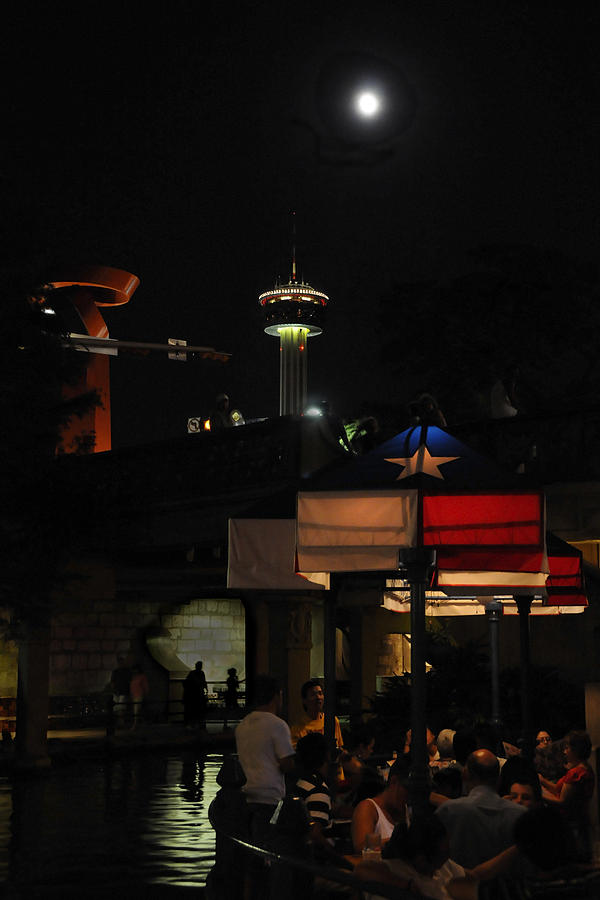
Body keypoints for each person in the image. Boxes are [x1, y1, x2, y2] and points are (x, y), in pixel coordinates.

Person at [435, 749, 525, 869]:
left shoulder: (448, 811)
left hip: (459, 879)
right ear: (499, 779)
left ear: (465, 775)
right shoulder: (521, 814)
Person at [234, 675, 295, 840]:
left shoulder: (242, 726)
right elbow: (286, 764)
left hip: (246, 797)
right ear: (277, 696)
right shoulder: (278, 725)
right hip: (270, 798)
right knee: (269, 843)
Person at [356, 815, 466, 899]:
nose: (448, 855)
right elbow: (362, 869)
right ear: (421, 860)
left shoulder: (443, 865)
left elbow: (469, 876)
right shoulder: (396, 871)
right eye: (445, 852)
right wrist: (406, 885)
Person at [538, 729, 594, 861]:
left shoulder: (576, 773)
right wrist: (543, 781)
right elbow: (560, 790)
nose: (564, 752)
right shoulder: (584, 769)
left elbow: (562, 801)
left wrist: (538, 795)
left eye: (567, 748)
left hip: (572, 824)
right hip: (578, 822)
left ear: (576, 750)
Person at [351, 755, 411, 854]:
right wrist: (398, 841)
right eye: (409, 790)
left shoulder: (409, 810)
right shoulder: (368, 808)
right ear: (394, 782)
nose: (411, 797)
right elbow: (361, 848)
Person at [290, 679, 344, 750]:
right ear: (304, 700)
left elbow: (339, 747)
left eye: (320, 693)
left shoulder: (332, 721)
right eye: (313, 694)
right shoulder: (297, 728)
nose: (318, 697)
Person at [183, 660, 208, 730]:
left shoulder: (192, 673)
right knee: (198, 710)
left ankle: (192, 724)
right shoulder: (201, 673)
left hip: (193, 695)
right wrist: (205, 689)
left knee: (192, 710)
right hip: (198, 694)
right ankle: (198, 723)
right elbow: (204, 682)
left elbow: (187, 682)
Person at [110, 655, 131, 727]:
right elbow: (112, 682)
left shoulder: (126, 671)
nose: (120, 664)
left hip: (123, 692)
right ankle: (119, 722)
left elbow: (129, 682)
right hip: (117, 692)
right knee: (116, 708)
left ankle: (121, 722)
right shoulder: (115, 671)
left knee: (121, 707)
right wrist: (114, 689)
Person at [129, 663, 149, 729]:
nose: (134, 671)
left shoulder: (142, 676)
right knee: (137, 710)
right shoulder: (134, 677)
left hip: (139, 695)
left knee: (136, 710)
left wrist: (146, 694)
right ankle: (141, 723)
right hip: (134, 695)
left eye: (135, 670)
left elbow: (145, 686)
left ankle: (135, 724)